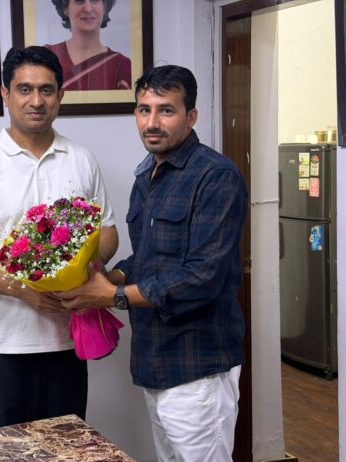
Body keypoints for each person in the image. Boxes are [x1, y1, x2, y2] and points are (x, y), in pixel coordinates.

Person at [57, 65, 248, 461]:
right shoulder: (147, 175)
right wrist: (109, 276)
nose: (152, 122)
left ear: (191, 116)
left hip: (198, 366)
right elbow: (148, 258)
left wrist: (112, 296)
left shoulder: (216, 176)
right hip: (154, 361)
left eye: (166, 110)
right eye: (144, 110)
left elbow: (202, 277)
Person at [0, 46, 118, 430]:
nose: (36, 101)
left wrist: (84, 270)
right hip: (4, 346)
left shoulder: (81, 159)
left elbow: (107, 233)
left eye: (46, 90)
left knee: (69, 450)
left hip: (68, 342)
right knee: (8, 453)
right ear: (5, 94)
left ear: (61, 95)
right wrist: (23, 290)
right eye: (24, 89)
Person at [46, 0, 131, 91]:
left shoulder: (121, 66)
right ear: (65, 8)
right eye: (80, 1)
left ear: (104, 7)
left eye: (94, 0)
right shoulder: (46, 56)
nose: (88, 9)